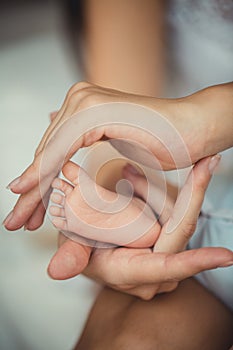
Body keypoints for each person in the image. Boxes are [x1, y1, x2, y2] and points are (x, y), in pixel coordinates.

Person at [4, 0, 233, 348]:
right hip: (189, 190)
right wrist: (116, 187)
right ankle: (130, 216)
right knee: (132, 343)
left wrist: (212, 116)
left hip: (198, 160)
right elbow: (120, 126)